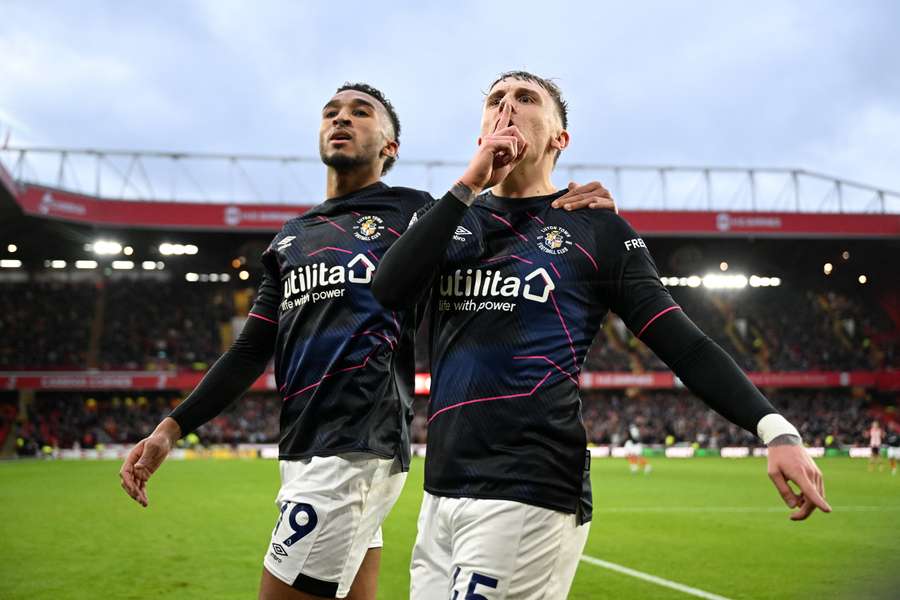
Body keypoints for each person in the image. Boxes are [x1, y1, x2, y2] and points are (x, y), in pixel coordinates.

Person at [118, 82, 616, 600]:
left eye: (360, 113)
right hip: (303, 443)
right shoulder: (291, 237)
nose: (341, 119)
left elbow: (513, 227)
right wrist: (172, 428)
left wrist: (576, 211)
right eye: (331, 112)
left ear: (390, 146)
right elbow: (249, 350)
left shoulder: (419, 212)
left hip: (357, 442)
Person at [372, 70, 832, 599]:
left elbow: (682, 341)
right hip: (442, 493)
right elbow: (387, 289)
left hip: (530, 485)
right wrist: (470, 184)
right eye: (496, 99)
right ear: (481, 134)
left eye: (526, 99)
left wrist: (776, 430)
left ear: (559, 138)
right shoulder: (450, 219)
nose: (508, 107)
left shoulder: (597, 229)